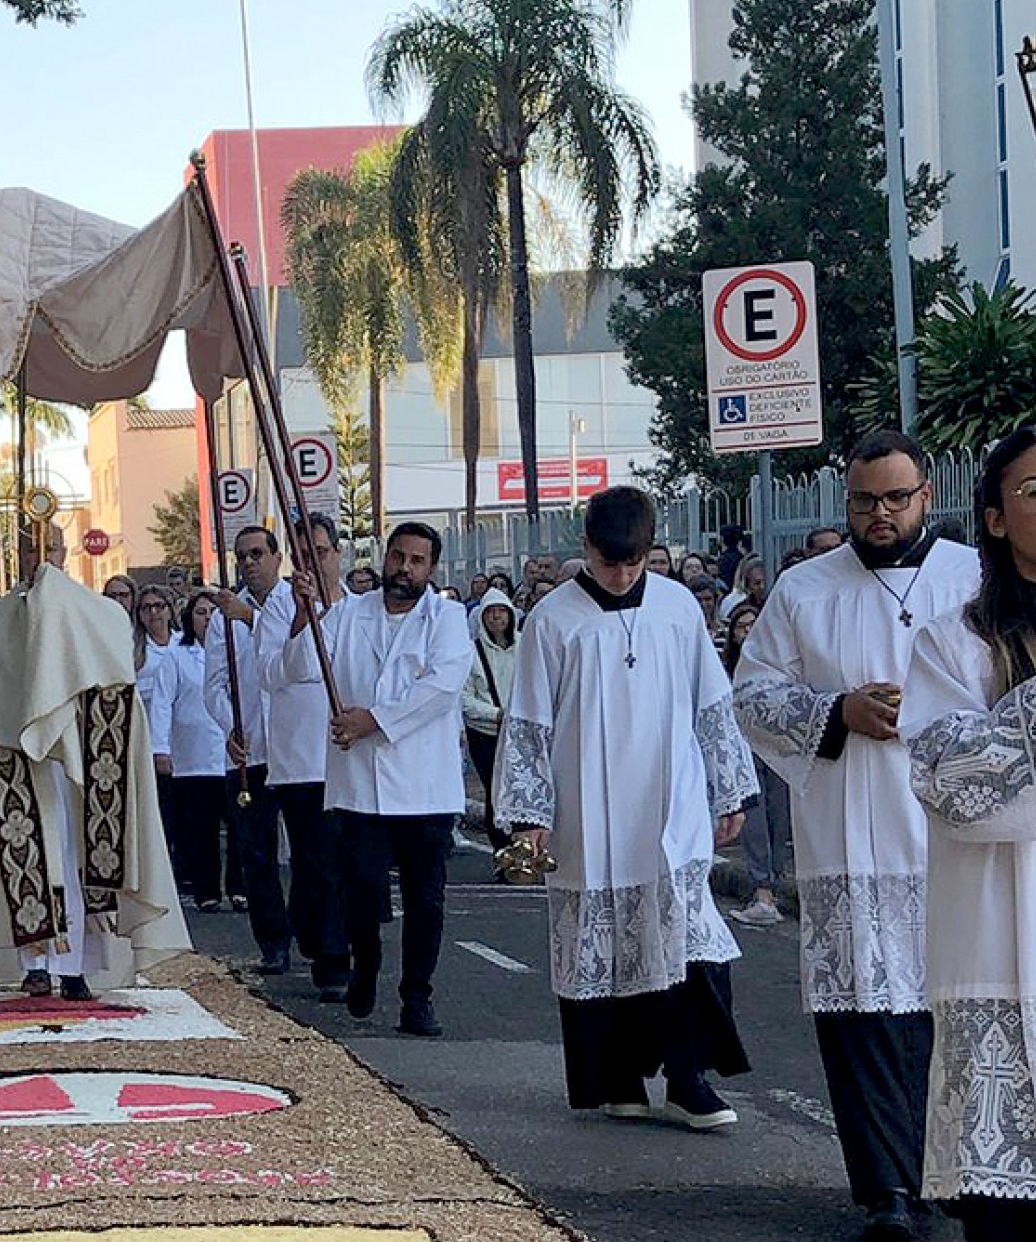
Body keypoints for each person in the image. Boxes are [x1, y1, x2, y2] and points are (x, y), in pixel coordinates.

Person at [734, 428, 978, 1242]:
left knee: (949, 1011)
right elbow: (752, 696)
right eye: (865, 500)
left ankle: (950, 1173)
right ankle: (884, 1189)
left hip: (952, 835)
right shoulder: (805, 589)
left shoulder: (973, 579)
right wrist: (835, 711)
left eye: (895, 498)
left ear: (925, 498)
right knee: (863, 1015)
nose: (880, 513)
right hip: (850, 831)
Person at [495, 483, 756, 1129]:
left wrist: (728, 788)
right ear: (586, 547)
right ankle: (619, 1078)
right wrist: (530, 815)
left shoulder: (676, 608)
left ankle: (687, 1077)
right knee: (606, 951)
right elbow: (528, 723)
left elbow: (711, 703)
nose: (621, 574)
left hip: (670, 804)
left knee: (690, 945)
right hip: (588, 813)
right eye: (609, 561)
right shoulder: (552, 620)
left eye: (634, 561)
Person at [902, 422, 1036, 1242]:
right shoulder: (959, 639)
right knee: (1011, 1226)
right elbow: (953, 783)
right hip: (1004, 953)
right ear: (994, 514)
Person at [0, 539, 186, 992]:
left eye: (50, 552)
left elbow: (112, 671)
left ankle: (78, 965)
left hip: (77, 763)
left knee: (78, 858)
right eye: (29, 554)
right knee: (28, 858)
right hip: (17, 758)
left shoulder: (90, 615)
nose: (41, 562)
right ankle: (36, 964)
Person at [277, 520, 471, 1034]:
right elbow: (298, 669)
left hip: (424, 785)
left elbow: (442, 686)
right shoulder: (345, 613)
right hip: (359, 783)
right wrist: (305, 614)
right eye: (397, 557)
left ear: (431, 568)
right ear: (384, 557)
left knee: (424, 899)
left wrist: (375, 720)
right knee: (361, 889)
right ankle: (366, 966)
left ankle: (417, 997)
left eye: (416, 561)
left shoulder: (446, 617)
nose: (404, 569)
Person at [255, 515, 351, 1001]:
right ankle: (331, 958)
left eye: (321, 551)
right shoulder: (277, 609)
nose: (312, 562)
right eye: (303, 555)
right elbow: (277, 673)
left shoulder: (359, 608)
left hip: (350, 756)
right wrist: (301, 616)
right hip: (302, 762)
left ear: (337, 551)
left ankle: (331, 940)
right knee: (316, 864)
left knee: (346, 864)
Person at [206, 524, 292, 975]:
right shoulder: (222, 617)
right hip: (249, 754)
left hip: (294, 752)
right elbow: (214, 684)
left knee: (309, 850)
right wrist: (230, 727)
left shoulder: (295, 603)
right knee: (255, 852)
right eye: (242, 556)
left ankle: (313, 931)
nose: (250, 562)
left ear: (277, 557)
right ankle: (273, 941)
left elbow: (290, 654)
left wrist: (249, 618)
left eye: (258, 553)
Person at [723, 600, 792, 930]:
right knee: (755, 820)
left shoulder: (777, 662)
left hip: (776, 747)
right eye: (742, 626)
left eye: (754, 625)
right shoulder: (725, 669)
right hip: (744, 749)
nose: (748, 631)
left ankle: (774, 887)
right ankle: (761, 890)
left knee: (780, 818)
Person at [169, 589, 233, 911]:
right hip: (193, 755)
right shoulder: (177, 656)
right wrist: (160, 748)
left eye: (213, 613)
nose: (207, 620)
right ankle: (207, 891)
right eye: (200, 613)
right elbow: (163, 707)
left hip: (231, 753)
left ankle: (239, 887)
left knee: (238, 827)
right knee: (202, 829)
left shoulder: (234, 649)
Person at [462, 590, 521, 853]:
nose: (497, 617)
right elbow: (464, 698)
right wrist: (496, 714)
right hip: (485, 732)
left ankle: (525, 851)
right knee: (495, 794)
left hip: (520, 731)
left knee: (521, 791)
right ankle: (502, 852)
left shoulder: (526, 646)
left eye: (502, 611)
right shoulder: (471, 652)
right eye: (491, 612)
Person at [133, 584, 180, 889]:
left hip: (184, 733)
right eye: (147, 608)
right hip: (148, 734)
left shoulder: (181, 643)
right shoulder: (135, 650)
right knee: (160, 806)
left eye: (159, 606)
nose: (154, 613)